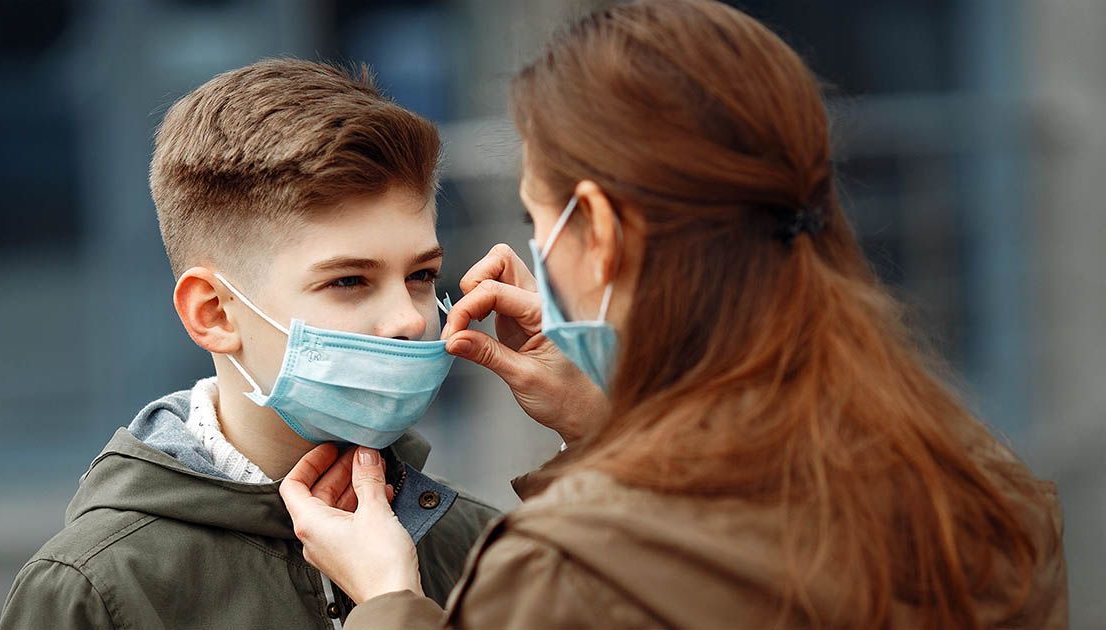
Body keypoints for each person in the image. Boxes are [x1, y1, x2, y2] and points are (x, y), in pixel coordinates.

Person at [278, 2, 1068, 628]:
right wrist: (607, 433)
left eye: (534, 221)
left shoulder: (568, 569)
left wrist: (387, 600)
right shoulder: (984, 490)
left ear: (603, 230)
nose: (409, 318)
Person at [0, 59, 499, 629]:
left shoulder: (482, 549)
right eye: (349, 281)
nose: (408, 320)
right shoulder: (98, 588)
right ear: (213, 313)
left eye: (422, 275)